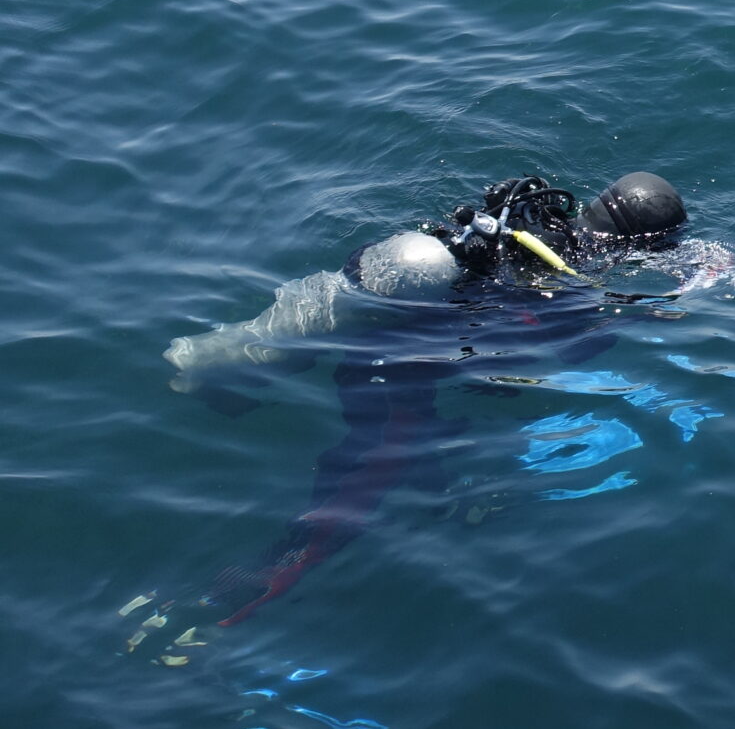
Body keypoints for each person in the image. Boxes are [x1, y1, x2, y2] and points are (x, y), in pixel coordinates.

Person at [139, 172, 701, 641]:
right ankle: (237, 598)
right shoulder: (579, 289)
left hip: (374, 316)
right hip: (404, 365)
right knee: (366, 481)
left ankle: (213, 372)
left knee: (312, 372)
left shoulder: (534, 220)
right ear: (645, 244)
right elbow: (535, 362)